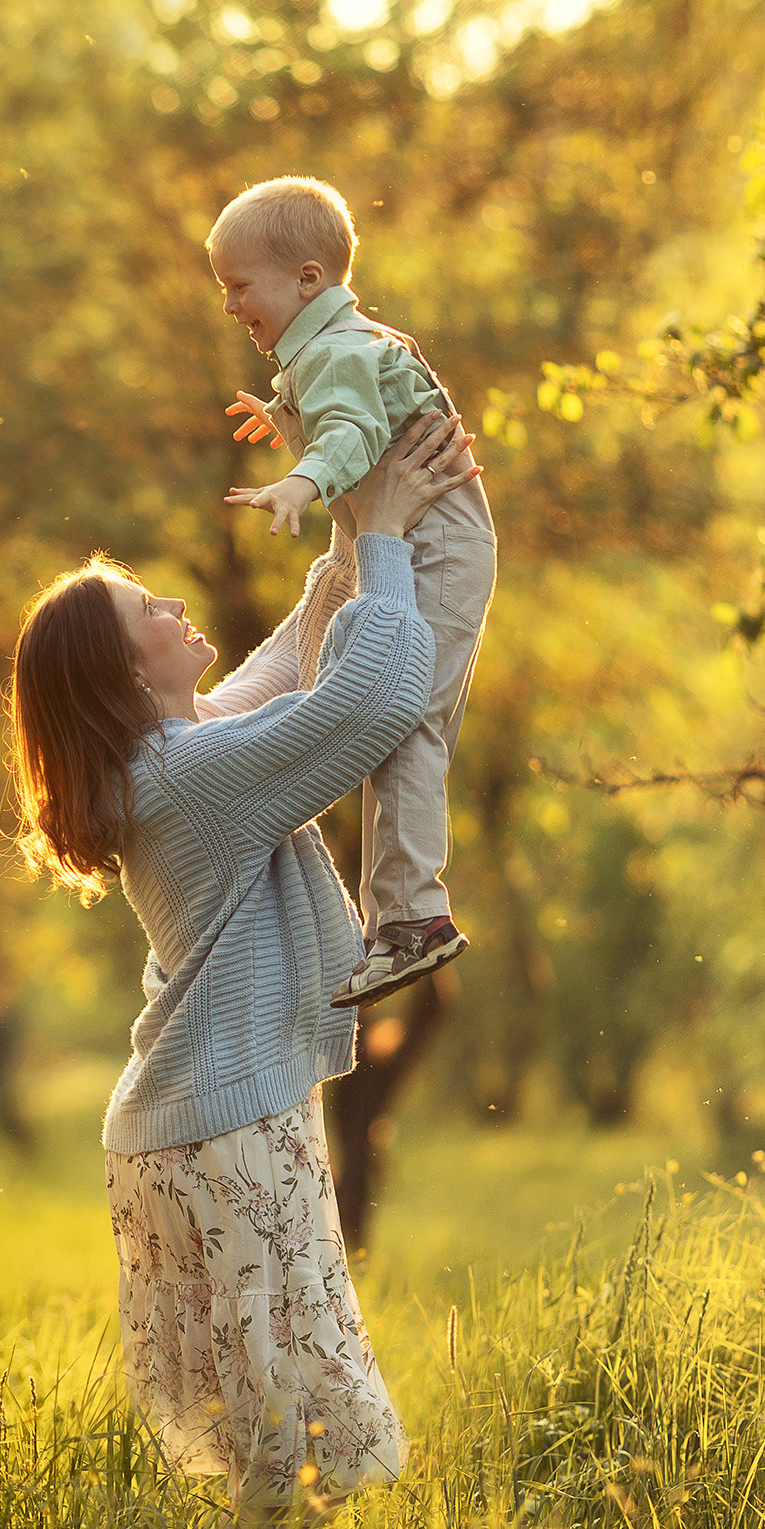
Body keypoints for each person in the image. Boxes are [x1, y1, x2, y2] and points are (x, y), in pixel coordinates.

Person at [6, 411, 475, 1529]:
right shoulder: (188, 775)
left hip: (192, 1124)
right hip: (224, 1128)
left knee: (272, 1416)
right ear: (127, 666)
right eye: (149, 611)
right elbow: (363, 705)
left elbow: (272, 673)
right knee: (291, 1434)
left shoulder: (169, 753)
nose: (174, 607)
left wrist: (350, 539)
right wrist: (397, 541)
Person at [207, 175, 499, 1009]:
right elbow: (346, 409)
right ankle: (396, 907)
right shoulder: (332, 349)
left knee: (407, 724)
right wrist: (287, 418)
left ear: (306, 280)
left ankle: (414, 920)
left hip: (433, 550)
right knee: (350, 691)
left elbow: (355, 429)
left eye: (238, 286)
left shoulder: (336, 351)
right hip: (397, 543)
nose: (230, 305)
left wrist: (301, 480)